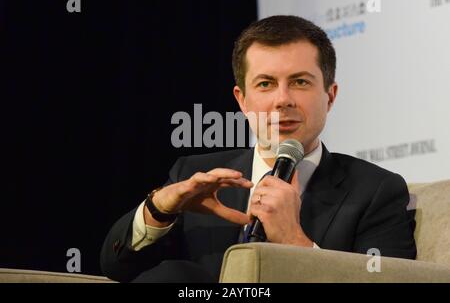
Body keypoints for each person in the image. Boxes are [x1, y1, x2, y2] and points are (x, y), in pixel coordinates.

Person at [100, 15, 416, 282]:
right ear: (242, 100)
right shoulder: (195, 174)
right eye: (265, 84)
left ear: (330, 96)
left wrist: (295, 241)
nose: (283, 100)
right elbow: (116, 268)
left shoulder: (376, 191)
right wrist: (158, 209)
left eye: (300, 82)